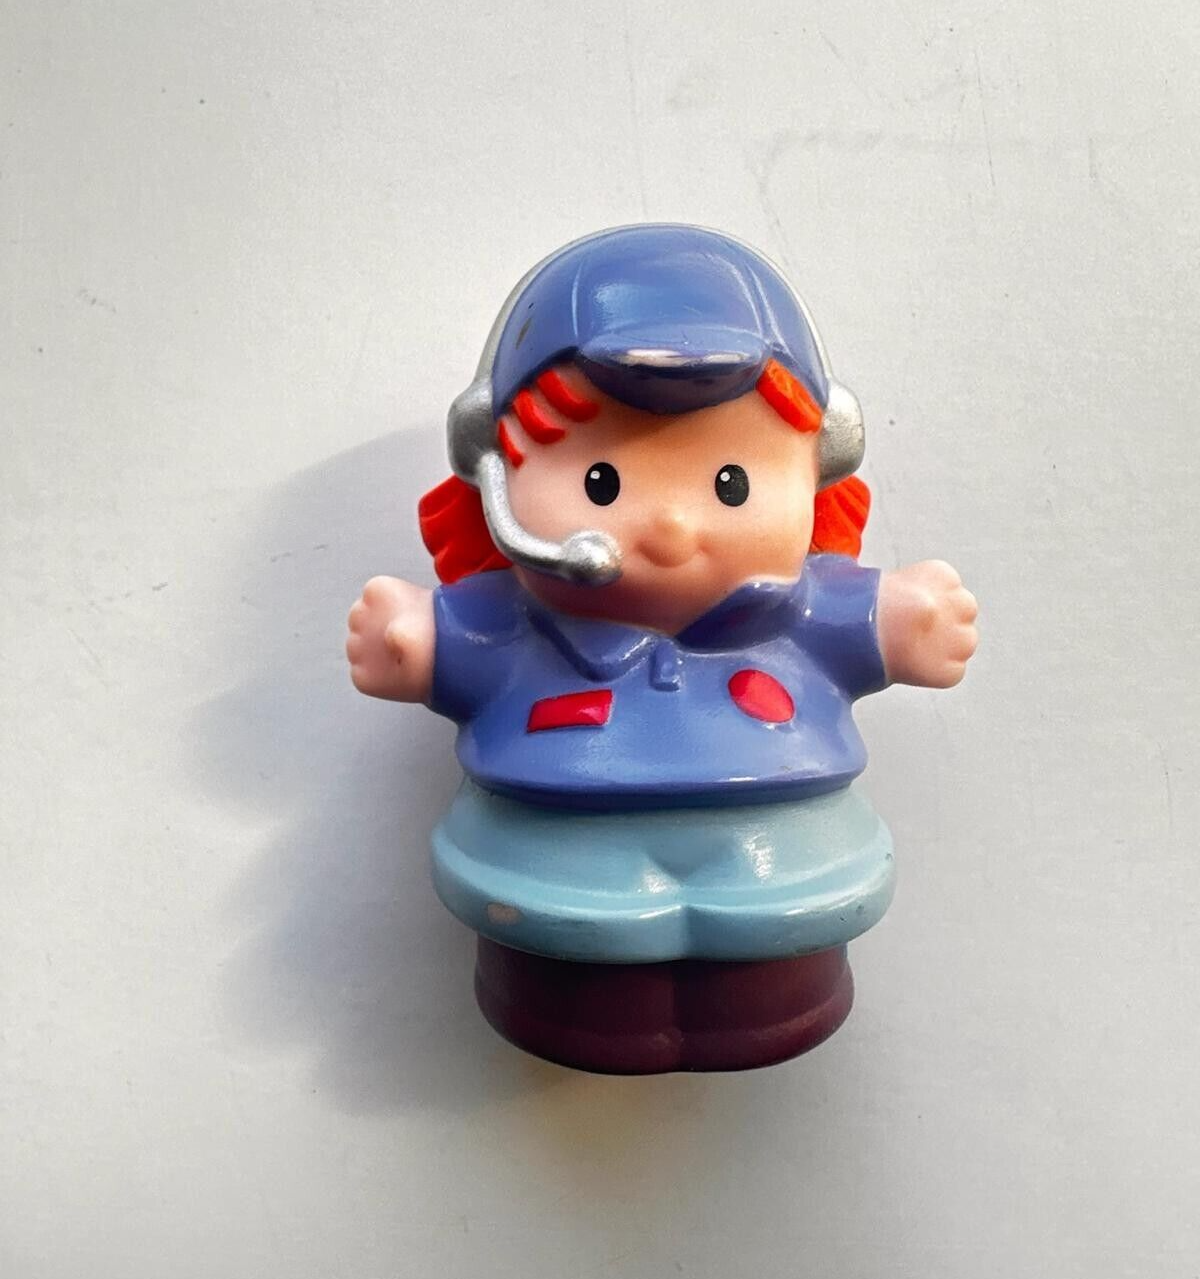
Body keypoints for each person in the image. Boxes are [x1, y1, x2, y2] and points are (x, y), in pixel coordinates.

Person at [346, 224, 978, 1072]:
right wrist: (414, 638)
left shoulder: (805, 612)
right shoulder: (514, 620)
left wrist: (904, 620)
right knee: (579, 984)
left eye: (731, 483)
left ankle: (770, 1005)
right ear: (494, 474)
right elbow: (449, 641)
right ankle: (581, 1015)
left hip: (780, 861)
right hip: (558, 863)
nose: (674, 526)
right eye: (600, 481)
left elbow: (872, 620)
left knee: (770, 988)